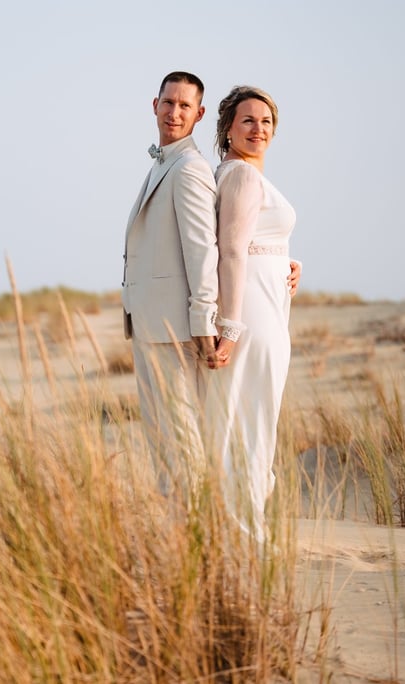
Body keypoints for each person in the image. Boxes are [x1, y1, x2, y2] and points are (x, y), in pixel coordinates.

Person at [206, 85, 298, 541]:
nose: (258, 129)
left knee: (246, 416)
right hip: (253, 315)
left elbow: (253, 241)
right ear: (227, 128)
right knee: (252, 421)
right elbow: (232, 251)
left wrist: (286, 262)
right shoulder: (242, 175)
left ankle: (238, 525)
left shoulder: (234, 173)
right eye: (248, 120)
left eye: (266, 122)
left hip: (265, 303)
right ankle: (245, 531)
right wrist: (231, 326)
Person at [122, 71, 220, 496]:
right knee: (162, 438)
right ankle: (175, 522)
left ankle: (193, 521)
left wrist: (204, 321)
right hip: (150, 324)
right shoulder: (164, 163)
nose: (174, 112)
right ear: (154, 105)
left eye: (185, 106)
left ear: (199, 114)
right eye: (168, 102)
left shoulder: (189, 168)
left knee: (180, 438)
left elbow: (203, 251)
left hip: (175, 329)